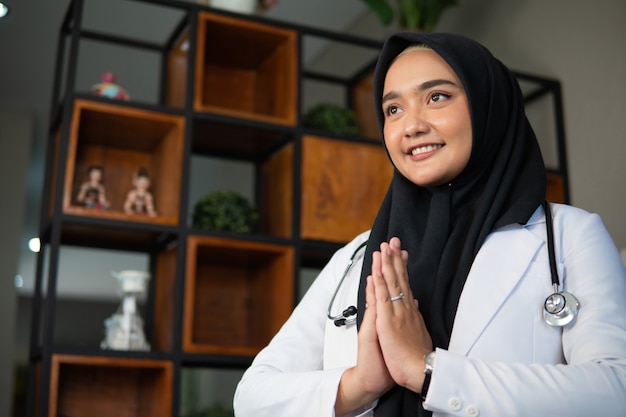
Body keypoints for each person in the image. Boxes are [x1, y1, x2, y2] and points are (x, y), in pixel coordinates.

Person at [233, 32, 626, 417]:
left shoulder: (570, 236)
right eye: (393, 109)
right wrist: (359, 384)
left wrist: (428, 371)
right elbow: (252, 398)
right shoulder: (355, 256)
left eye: (436, 97)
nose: (411, 126)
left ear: (489, 106)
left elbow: (616, 391)